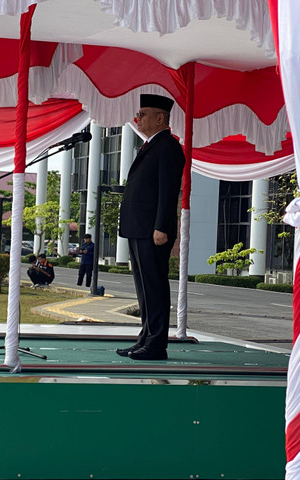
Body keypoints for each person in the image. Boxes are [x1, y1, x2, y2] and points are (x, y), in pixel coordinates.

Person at [117, 94, 185, 361]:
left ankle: (156, 344)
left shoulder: (167, 146)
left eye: (143, 114)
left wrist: (161, 226)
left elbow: (168, 192)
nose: (138, 118)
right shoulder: (150, 145)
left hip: (152, 230)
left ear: (160, 118)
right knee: (144, 287)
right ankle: (146, 338)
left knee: (154, 286)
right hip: (139, 228)